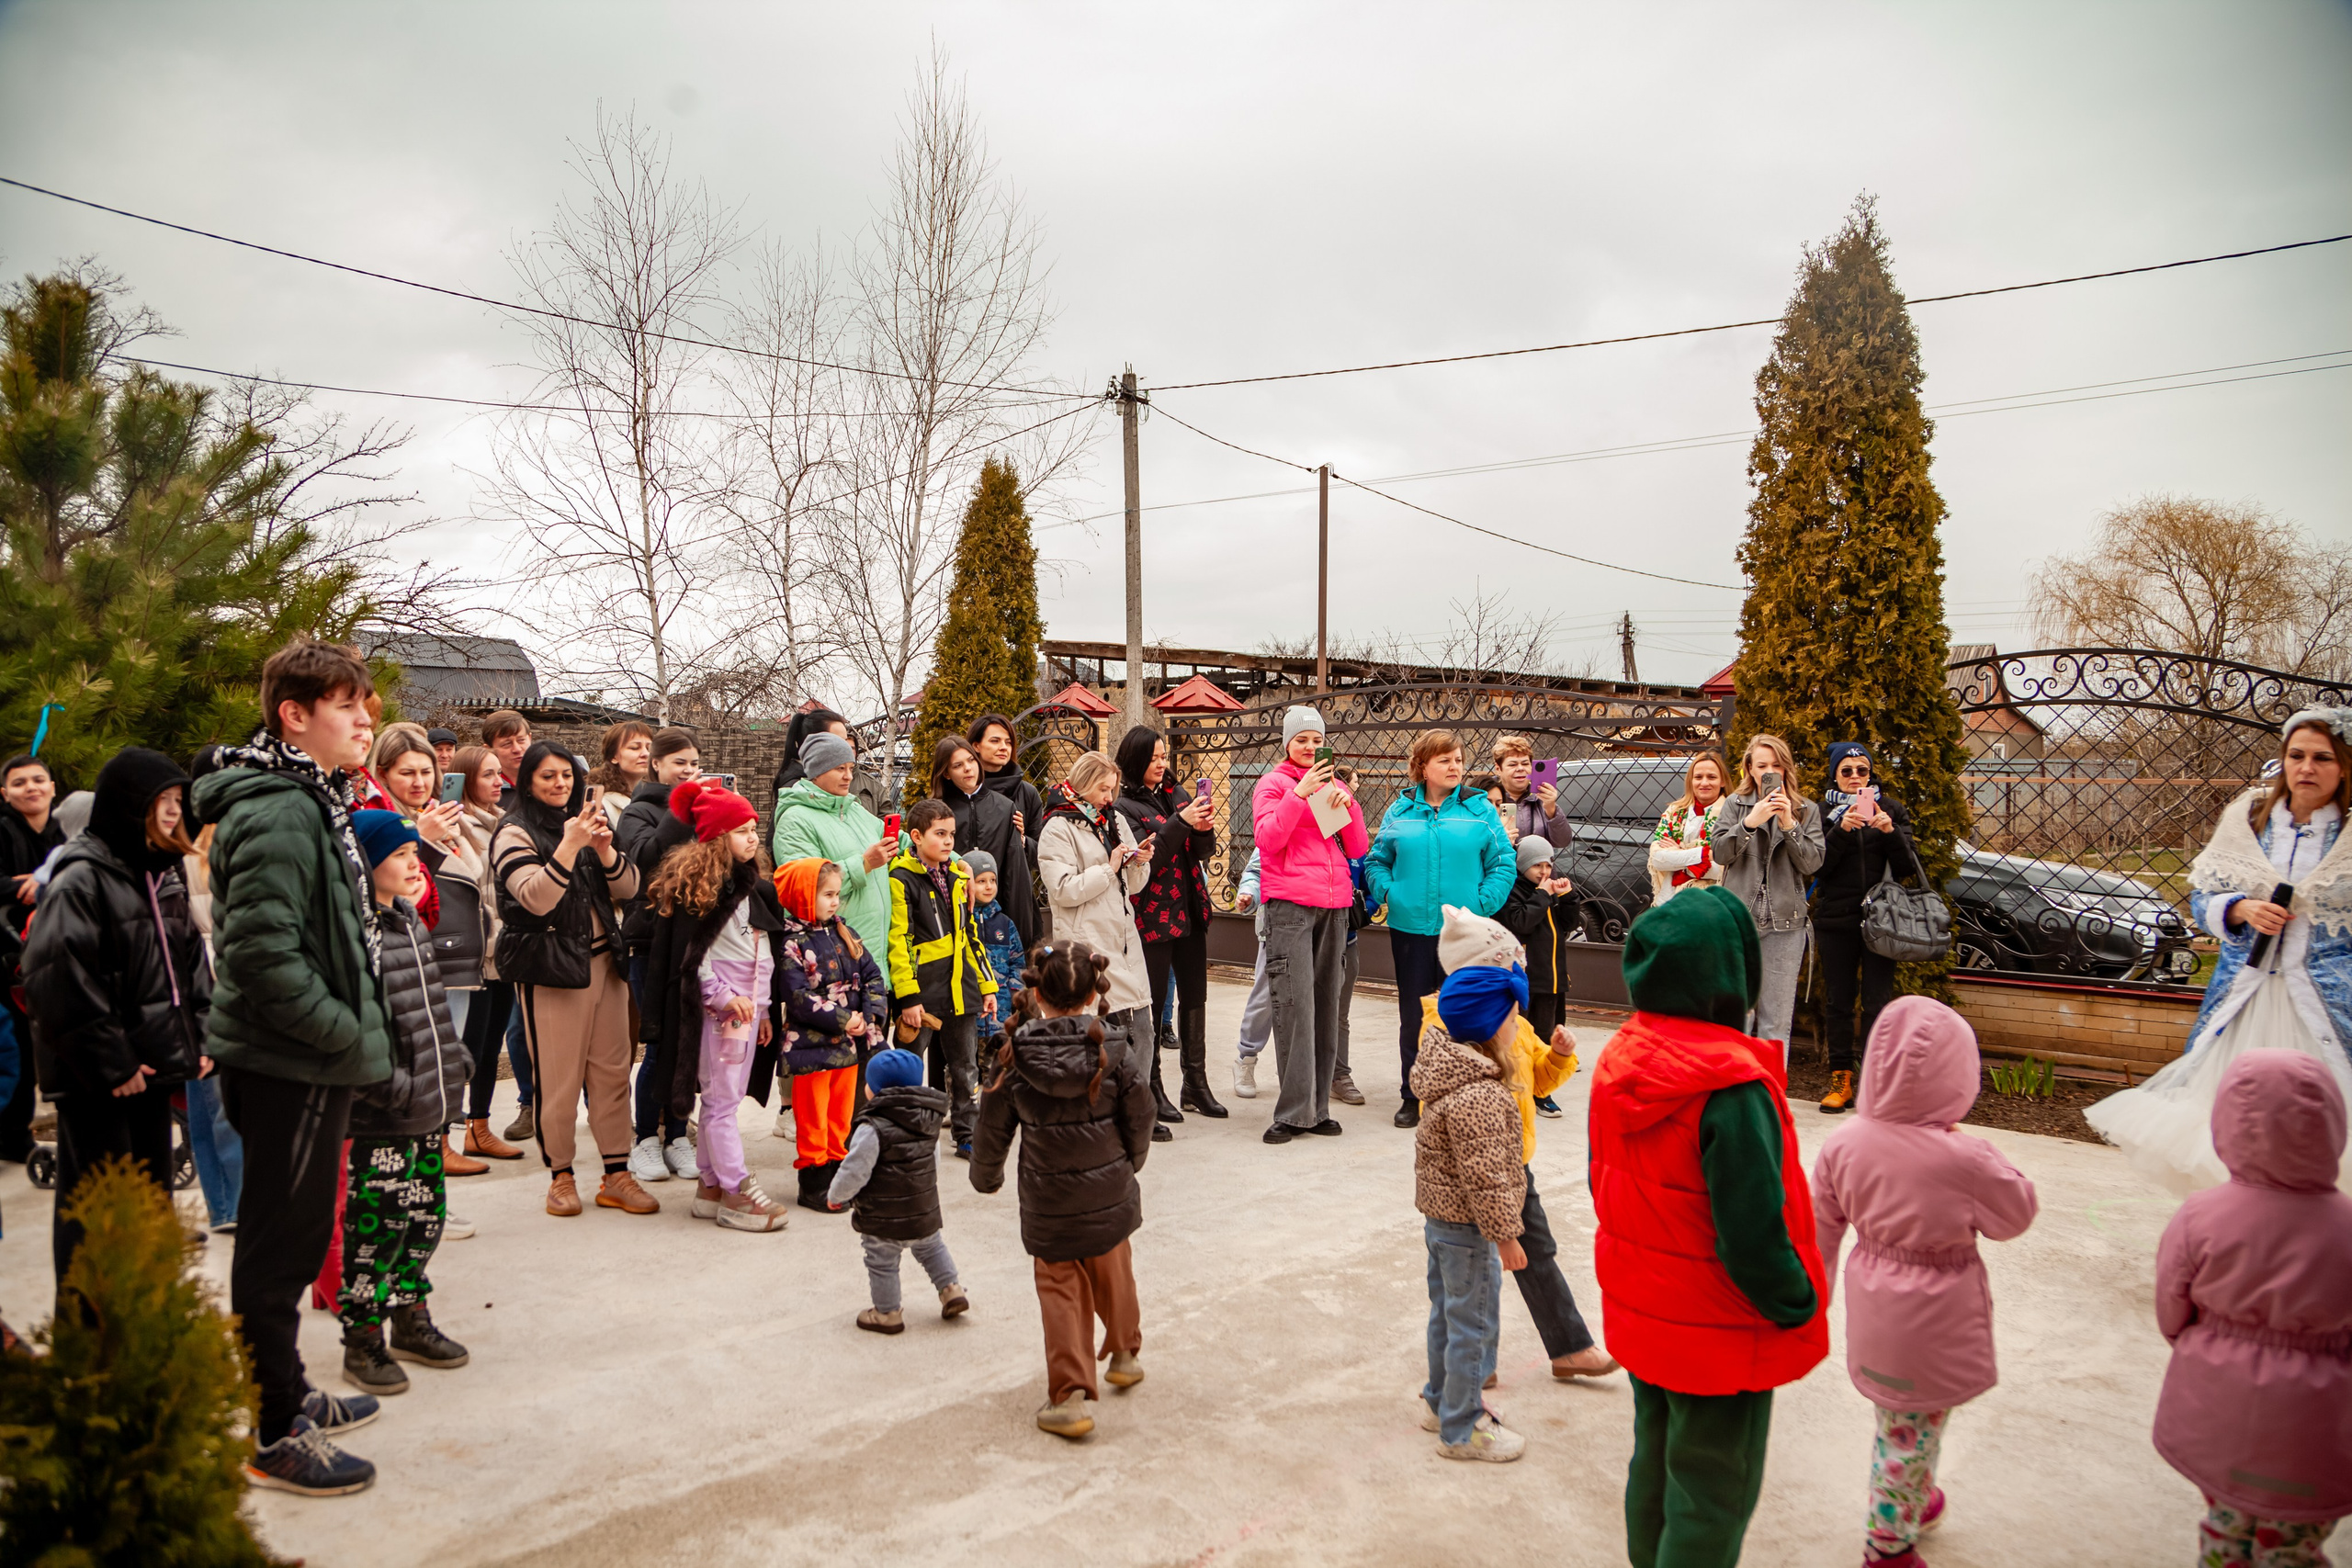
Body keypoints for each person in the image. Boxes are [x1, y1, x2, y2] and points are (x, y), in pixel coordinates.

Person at [193, 637, 393, 1496]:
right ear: (294, 715)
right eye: (346, 706)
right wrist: (343, 1034)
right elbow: (261, 954)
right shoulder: (278, 807)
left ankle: (288, 1386)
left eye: (365, 706)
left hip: (306, 1057)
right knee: (280, 1248)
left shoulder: (309, 794)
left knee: (299, 1234)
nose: (364, 722)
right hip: (291, 1061)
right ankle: (273, 1427)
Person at [1589, 884, 1829, 1568]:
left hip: (1646, 1310)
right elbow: (1752, 1230)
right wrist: (1795, 1298)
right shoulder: (1732, 1087)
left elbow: (1603, 1181)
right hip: (1721, 1330)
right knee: (1712, 1493)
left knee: (1656, 1460)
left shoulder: (1621, 1061)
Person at [1812, 997, 2039, 1566]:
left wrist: (1814, 1300)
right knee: (1912, 1424)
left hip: (1874, 1308)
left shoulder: (1844, 1144)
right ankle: (1888, 1545)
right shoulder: (1965, 1158)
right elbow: (2014, 1217)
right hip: (1935, 1322)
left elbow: (1820, 1228)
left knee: (1903, 1420)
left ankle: (1913, 1493)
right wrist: (1987, 1157)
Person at [2088, 709, 2352, 1194]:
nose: (2307, 768)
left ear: (2344, 768)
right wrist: (2239, 909)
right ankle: (2238, 1217)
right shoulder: (2249, 819)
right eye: (2296, 755)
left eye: (2322, 758)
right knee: (2225, 1117)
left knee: (2314, 1125)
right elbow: (2203, 896)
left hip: (2325, 1007)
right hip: (2243, 1000)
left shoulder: (2348, 837)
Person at [2150, 1049, 2352, 1565]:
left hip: (2222, 1407)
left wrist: (2196, 1343)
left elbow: (2172, 1302)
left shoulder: (2201, 1214)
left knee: (2225, 1524)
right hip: (2317, 1424)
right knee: (2294, 1543)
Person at [24, 747, 209, 1283]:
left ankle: (148, 1315)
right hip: (100, 1080)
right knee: (99, 1214)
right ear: (128, 805)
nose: (173, 810)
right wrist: (113, 1062)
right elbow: (57, 981)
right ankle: (93, 1325)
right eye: (160, 800)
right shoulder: (81, 878)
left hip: (152, 1070)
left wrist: (200, 1038)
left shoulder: (160, 873)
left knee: (148, 1204)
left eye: (177, 799)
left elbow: (190, 966)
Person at [970, 940, 1156, 1440]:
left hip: (1048, 1205)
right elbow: (1142, 1114)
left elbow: (991, 1127)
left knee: (1061, 1293)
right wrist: (1130, 1163)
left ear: (1037, 995)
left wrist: (986, 1177)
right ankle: (1125, 1354)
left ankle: (1070, 1398)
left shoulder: (1015, 1054)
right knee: (1115, 1273)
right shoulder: (1115, 1050)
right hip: (1110, 1194)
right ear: (1095, 994)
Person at [336, 810, 474, 1396]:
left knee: (422, 1217)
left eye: (416, 854)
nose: (415, 865)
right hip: (384, 1113)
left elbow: (430, 1006)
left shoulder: (408, 920)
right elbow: (355, 1028)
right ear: (366, 864)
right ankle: (362, 1335)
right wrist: (389, 1086)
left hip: (426, 1104)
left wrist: (454, 1060)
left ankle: (409, 1316)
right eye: (400, 855)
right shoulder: (357, 933)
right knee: (377, 1226)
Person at [491, 740, 657, 1219]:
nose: (560, 783)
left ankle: (616, 1174)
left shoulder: (589, 823)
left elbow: (630, 887)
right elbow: (534, 899)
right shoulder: (513, 831)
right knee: (558, 1082)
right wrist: (569, 844)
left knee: (613, 1076)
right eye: (548, 776)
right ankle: (560, 1176)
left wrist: (603, 850)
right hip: (551, 969)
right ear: (527, 782)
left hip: (606, 965)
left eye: (566, 774)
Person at [638, 780, 792, 1233]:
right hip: (719, 1016)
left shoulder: (751, 888)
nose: (753, 838)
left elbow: (760, 956)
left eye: (754, 830)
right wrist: (726, 998)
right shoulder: (701, 892)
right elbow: (692, 963)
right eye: (741, 831)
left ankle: (709, 1186)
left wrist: (763, 1010)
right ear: (717, 837)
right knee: (722, 1103)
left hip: (746, 1015)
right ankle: (736, 1188)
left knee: (722, 1102)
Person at [1411, 961, 1532, 1461]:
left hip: (1442, 1224)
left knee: (1449, 1316)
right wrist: (1506, 1234)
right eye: (1513, 1018)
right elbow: (1486, 1177)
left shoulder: (1449, 1070)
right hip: (1469, 1229)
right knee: (1473, 1326)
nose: (1518, 1026)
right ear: (1491, 1025)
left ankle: (1441, 1402)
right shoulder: (1478, 1094)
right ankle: (1463, 1429)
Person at [1367, 727, 1513, 1130]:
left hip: (1464, 933)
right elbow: (1377, 860)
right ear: (1423, 766)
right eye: (1444, 759)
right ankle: (1412, 1095)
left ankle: (1460, 1096)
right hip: (1410, 929)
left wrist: (1481, 905)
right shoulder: (1400, 811)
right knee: (1415, 1015)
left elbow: (1503, 862)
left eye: (1458, 760)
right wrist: (1390, 894)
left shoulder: (1480, 810)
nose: (1454, 766)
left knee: (1461, 1013)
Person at [362, 722, 486, 1176]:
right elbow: (393, 892)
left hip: (450, 954)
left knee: (446, 1055)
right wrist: (421, 836)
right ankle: (428, 1155)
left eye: (426, 771)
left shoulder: (434, 812)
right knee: (415, 1063)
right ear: (382, 773)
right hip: (406, 959)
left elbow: (474, 872)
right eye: (406, 773)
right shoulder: (376, 819)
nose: (419, 782)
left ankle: (438, 1148)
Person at [1248, 707, 1371, 1142]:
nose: (1310, 747)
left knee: (1325, 1007)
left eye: (1317, 740)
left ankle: (1317, 1110)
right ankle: (1293, 1112)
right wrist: (1298, 795)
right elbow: (1268, 840)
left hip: (1334, 906)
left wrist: (1349, 806)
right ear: (1287, 743)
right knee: (1295, 1007)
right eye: (1302, 739)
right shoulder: (1273, 784)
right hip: (1291, 907)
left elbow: (1357, 847)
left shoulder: (1332, 785)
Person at [1036, 754, 1159, 1137]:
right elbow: (1062, 890)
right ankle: (1097, 1116)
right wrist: (1110, 867)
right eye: (1103, 789)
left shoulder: (1114, 819)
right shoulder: (1057, 826)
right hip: (1086, 946)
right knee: (1094, 1039)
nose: (1109, 797)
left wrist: (1139, 862)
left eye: (1113, 789)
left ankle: (1133, 1112)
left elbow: (1133, 885)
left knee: (1144, 1031)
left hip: (1123, 940)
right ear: (1083, 783)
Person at [1113, 726, 1226, 1122]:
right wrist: (1180, 821)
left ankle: (1195, 1083)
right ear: (1135, 761)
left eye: (1164, 756)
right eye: (1154, 758)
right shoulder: (1124, 807)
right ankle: (1153, 1085)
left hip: (1190, 908)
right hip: (1153, 917)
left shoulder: (1177, 793)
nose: (1162, 764)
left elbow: (1201, 852)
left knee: (1195, 997)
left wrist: (1204, 828)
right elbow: (1149, 860)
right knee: (1155, 1003)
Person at [616, 728, 704, 1184]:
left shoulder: (705, 806)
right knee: (658, 1043)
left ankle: (677, 1135)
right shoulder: (638, 810)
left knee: (688, 1042)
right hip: (649, 940)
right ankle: (646, 1138)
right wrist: (680, 808)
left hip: (696, 940)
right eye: (678, 763)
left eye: (694, 764)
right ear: (656, 764)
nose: (688, 772)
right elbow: (645, 860)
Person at [888, 799, 1000, 1156]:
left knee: (966, 1068)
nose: (949, 841)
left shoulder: (958, 877)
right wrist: (908, 997)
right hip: (922, 992)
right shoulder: (900, 878)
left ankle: (967, 1133)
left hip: (961, 989)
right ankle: (905, 1133)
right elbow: (899, 941)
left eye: (951, 834)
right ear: (916, 836)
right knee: (908, 1065)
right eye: (940, 834)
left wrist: (986, 986)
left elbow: (970, 937)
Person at [776, 854, 888, 1210]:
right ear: (802, 896)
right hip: (811, 1047)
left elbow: (872, 975)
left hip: (849, 1044)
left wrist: (868, 1017)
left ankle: (839, 1175)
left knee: (841, 1113)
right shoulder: (792, 944)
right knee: (814, 1115)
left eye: (837, 894)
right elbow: (797, 997)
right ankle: (813, 1182)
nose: (835, 901)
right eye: (827, 894)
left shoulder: (845, 933)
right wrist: (843, 1019)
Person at [831, 1045, 967, 1333]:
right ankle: (951, 1289)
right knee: (932, 1247)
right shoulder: (929, 1120)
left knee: (881, 1260)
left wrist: (837, 1195)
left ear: (876, 1091)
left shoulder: (871, 1127)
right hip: (923, 1207)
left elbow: (856, 1169)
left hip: (884, 1215)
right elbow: (933, 1162)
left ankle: (887, 1313)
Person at [1812, 742, 1915, 1116]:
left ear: (1871, 774)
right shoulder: (1821, 812)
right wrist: (1840, 830)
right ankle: (1841, 1080)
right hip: (1836, 919)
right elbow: (1817, 867)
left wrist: (1889, 832)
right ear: (1834, 775)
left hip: (1882, 921)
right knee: (1838, 1002)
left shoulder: (1892, 809)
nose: (1855, 777)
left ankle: (1874, 1081)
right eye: (1847, 771)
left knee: (1877, 1002)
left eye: (1863, 770)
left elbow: (1907, 867)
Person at [1711, 733, 1825, 1051]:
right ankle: (1732, 1081)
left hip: (1786, 925)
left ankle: (1769, 1084)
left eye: (1776, 765)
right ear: (1749, 768)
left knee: (1776, 1022)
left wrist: (1789, 824)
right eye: (1762, 766)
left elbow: (1812, 863)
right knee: (1736, 1016)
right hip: (1738, 921)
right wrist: (1749, 824)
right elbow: (1720, 853)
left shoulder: (1805, 809)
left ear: (1786, 768)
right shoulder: (1735, 805)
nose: (1769, 772)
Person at [449, 745, 526, 1160]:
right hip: (477, 954)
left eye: (500, 774)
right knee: (468, 1046)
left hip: (503, 951)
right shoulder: (456, 824)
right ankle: (447, 1135)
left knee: (491, 1042)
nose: (499, 782)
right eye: (488, 775)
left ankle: (479, 1127)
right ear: (464, 780)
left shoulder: (503, 821)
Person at [772, 728, 894, 961]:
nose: (849, 776)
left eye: (850, 768)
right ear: (817, 772)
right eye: (840, 769)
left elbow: (902, 840)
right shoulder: (795, 820)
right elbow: (806, 888)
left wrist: (958, 862)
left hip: (873, 952)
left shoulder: (853, 809)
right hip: (832, 956)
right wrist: (865, 864)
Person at [0, 751, 63, 1161]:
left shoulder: (62, 834)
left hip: (51, 954)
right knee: (16, 1050)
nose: (31, 788)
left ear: (53, 788)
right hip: (8, 959)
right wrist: (18, 886)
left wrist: (43, 884)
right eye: (19, 783)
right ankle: (13, 1138)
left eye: (38, 780)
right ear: (5, 793)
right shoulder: (3, 830)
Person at [1497, 834, 1576, 1119]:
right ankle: (1515, 1087)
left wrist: (1567, 898)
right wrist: (1542, 895)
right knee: (1520, 1038)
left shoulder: (1547, 889)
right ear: (1523, 865)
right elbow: (1521, 922)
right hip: (1527, 980)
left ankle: (1541, 1091)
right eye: (1537, 866)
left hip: (1552, 978)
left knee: (1546, 1035)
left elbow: (1568, 925)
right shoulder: (1513, 890)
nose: (1544, 871)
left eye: (1548, 865)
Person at [937, 733, 1040, 953]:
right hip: (951, 917)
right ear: (946, 772)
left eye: (971, 761)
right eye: (958, 765)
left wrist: (1021, 934)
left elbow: (1016, 872)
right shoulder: (937, 810)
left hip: (997, 919)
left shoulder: (1005, 807)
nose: (968, 769)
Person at [969, 713, 1046, 933]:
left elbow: (1042, 852)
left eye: (1008, 742)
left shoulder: (1027, 793)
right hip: (971, 898)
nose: (1004, 747)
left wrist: (1021, 840)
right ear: (976, 745)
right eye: (995, 741)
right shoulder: (965, 791)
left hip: (1016, 896)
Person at [1645, 750, 1727, 907]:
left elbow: (1724, 870)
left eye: (1711, 777)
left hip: (1713, 904)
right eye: (1698, 777)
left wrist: (1678, 856)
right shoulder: (1674, 812)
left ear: (1722, 781)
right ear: (1691, 780)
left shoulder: (1732, 814)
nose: (1704, 783)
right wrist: (1704, 855)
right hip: (1670, 902)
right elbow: (1658, 859)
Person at [967, 850, 1026, 1035]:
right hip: (969, 1014)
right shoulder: (961, 921)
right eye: (981, 881)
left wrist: (1014, 992)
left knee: (1000, 1053)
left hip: (1001, 1015)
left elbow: (1017, 961)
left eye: (992, 880)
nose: (989, 887)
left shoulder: (1005, 923)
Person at [1492, 735, 1574, 850]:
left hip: (1538, 861)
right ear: (1498, 769)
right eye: (1512, 764)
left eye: (1525, 763)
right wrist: (1498, 840)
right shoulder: (1488, 798)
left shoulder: (1541, 797)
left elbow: (1562, 842)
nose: (1520, 768)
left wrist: (1551, 808)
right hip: (1499, 861)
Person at [771, 705, 849, 807]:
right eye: (838, 741)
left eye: (846, 741)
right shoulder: (796, 792)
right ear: (812, 743)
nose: (846, 748)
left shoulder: (823, 782)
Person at [590, 720, 654, 830]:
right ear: (614, 757)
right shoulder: (601, 805)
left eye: (649, 748)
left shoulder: (654, 796)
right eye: (634, 748)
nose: (646, 754)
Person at [480, 710, 532, 807]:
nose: (517, 749)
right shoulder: (484, 792)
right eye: (507, 744)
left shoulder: (549, 782)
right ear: (489, 749)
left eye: (521, 740)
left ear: (530, 738)